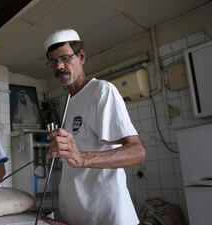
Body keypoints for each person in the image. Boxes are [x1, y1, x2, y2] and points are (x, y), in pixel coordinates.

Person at [43, 29, 146, 225]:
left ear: (81, 56)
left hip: (107, 216)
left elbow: (137, 152)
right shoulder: (69, 100)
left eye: (65, 58)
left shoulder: (101, 91)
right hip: (76, 215)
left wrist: (81, 158)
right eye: (53, 61)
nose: (59, 66)